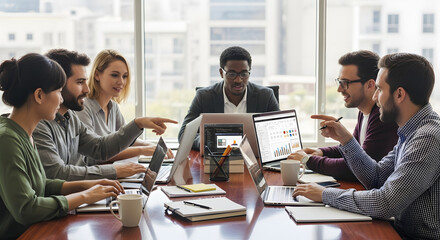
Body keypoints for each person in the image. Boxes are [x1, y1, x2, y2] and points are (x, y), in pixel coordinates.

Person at [293, 53, 440, 239]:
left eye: (379, 89)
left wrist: (325, 194)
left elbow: (386, 203)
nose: (375, 97)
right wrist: (347, 141)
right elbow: (377, 178)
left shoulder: (428, 138)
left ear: (399, 94)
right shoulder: (410, 132)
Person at [0, 53, 124, 239]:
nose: (60, 100)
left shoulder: (24, 133)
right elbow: (26, 209)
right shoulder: (7, 140)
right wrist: (85, 196)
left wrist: (91, 185)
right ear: (39, 95)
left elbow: (41, 185)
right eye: (58, 92)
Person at [33, 49, 177, 181]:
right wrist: (113, 171)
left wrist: (139, 123)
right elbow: (58, 174)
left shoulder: (70, 118)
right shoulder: (39, 126)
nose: (87, 89)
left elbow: (100, 148)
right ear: (58, 84)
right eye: (79, 82)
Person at [288, 50, 398, 181]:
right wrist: (322, 152)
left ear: (370, 85)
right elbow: (354, 150)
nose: (339, 89)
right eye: (339, 82)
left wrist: (308, 160)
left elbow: (354, 168)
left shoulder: (381, 118)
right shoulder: (364, 113)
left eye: (345, 83)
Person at [76, 49, 173, 164]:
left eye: (125, 76)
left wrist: (152, 146)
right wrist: (143, 150)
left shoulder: (113, 107)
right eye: (115, 75)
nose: (121, 82)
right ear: (97, 75)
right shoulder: (83, 107)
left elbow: (127, 140)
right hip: (92, 177)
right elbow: (95, 155)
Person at [179, 46, 280, 150]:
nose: (238, 80)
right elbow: (184, 135)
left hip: (254, 159)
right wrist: (205, 142)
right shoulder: (204, 96)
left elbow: (278, 132)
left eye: (244, 74)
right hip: (216, 160)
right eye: (232, 74)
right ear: (221, 73)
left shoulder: (266, 96)